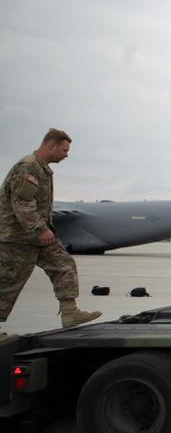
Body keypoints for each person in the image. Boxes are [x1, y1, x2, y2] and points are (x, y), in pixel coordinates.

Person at [0, 129, 101, 340]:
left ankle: (70, 313)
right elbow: (23, 205)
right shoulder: (27, 168)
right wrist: (40, 229)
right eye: (64, 150)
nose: (66, 155)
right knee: (8, 283)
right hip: (16, 238)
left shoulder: (41, 169)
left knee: (64, 264)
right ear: (51, 145)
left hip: (36, 237)